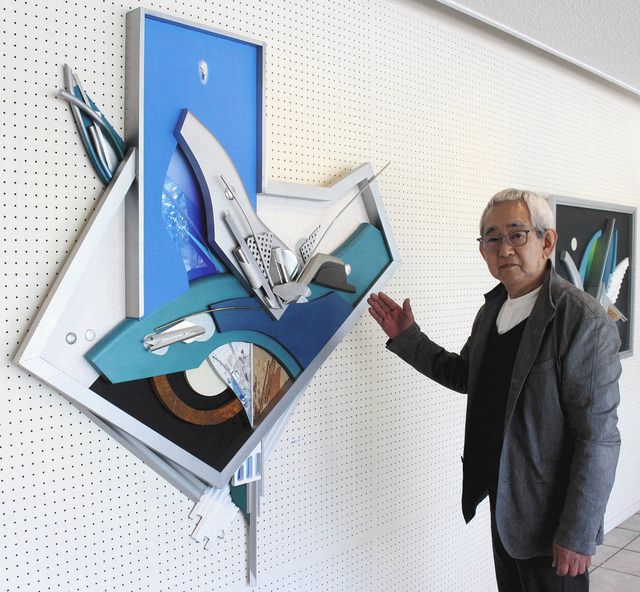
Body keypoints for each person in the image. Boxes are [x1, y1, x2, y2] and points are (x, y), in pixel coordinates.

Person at [368, 189, 621, 592]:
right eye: (492, 238)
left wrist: (577, 532)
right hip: (504, 504)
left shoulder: (582, 320)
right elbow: (467, 376)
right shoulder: (493, 309)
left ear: (547, 241)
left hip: (552, 520)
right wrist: (408, 337)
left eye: (516, 234)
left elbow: (598, 437)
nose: (504, 249)